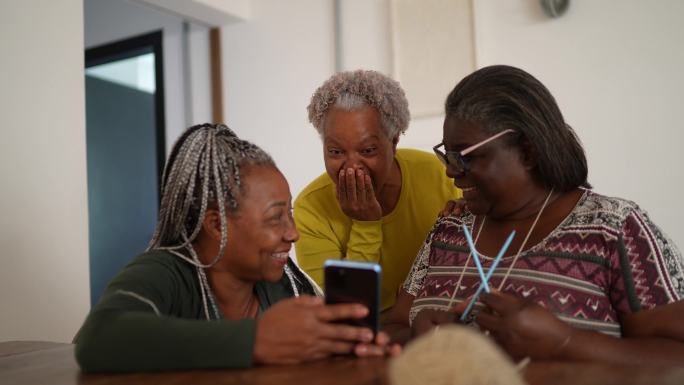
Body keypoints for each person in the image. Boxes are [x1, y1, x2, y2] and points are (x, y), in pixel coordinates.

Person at [384, 65, 684, 365]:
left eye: (465, 157)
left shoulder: (614, 229)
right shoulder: (449, 229)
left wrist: (566, 343)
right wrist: (413, 335)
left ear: (527, 152)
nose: (450, 171)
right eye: (447, 156)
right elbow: (394, 326)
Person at [75, 124, 398, 372]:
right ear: (217, 224)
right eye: (275, 218)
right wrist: (256, 340)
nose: (293, 233)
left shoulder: (289, 286)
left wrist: (345, 352)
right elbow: (98, 338)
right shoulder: (164, 272)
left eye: (290, 214)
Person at [295, 70, 461, 314]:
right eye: (335, 152)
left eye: (368, 150)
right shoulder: (310, 208)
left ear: (394, 142)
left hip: (442, 320)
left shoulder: (438, 174)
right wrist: (365, 226)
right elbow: (344, 313)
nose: (352, 166)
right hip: (370, 337)